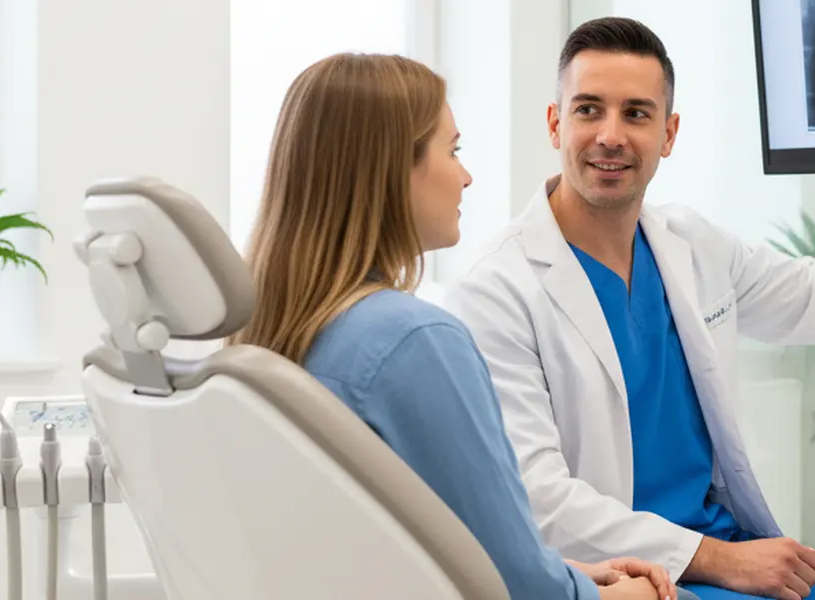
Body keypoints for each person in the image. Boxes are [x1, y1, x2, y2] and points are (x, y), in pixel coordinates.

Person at [446, 17, 815, 600]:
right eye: (588, 109)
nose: (610, 135)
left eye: (636, 114)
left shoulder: (691, 244)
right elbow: (539, 500)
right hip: (635, 578)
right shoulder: (498, 290)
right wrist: (719, 560)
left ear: (669, 134)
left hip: (730, 546)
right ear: (555, 124)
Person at [227, 52, 682, 600]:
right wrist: (623, 594)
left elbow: (444, 548)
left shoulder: (277, 331)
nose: (465, 176)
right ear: (391, 170)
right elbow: (521, 588)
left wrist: (570, 572)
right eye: (453, 150)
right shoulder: (413, 342)